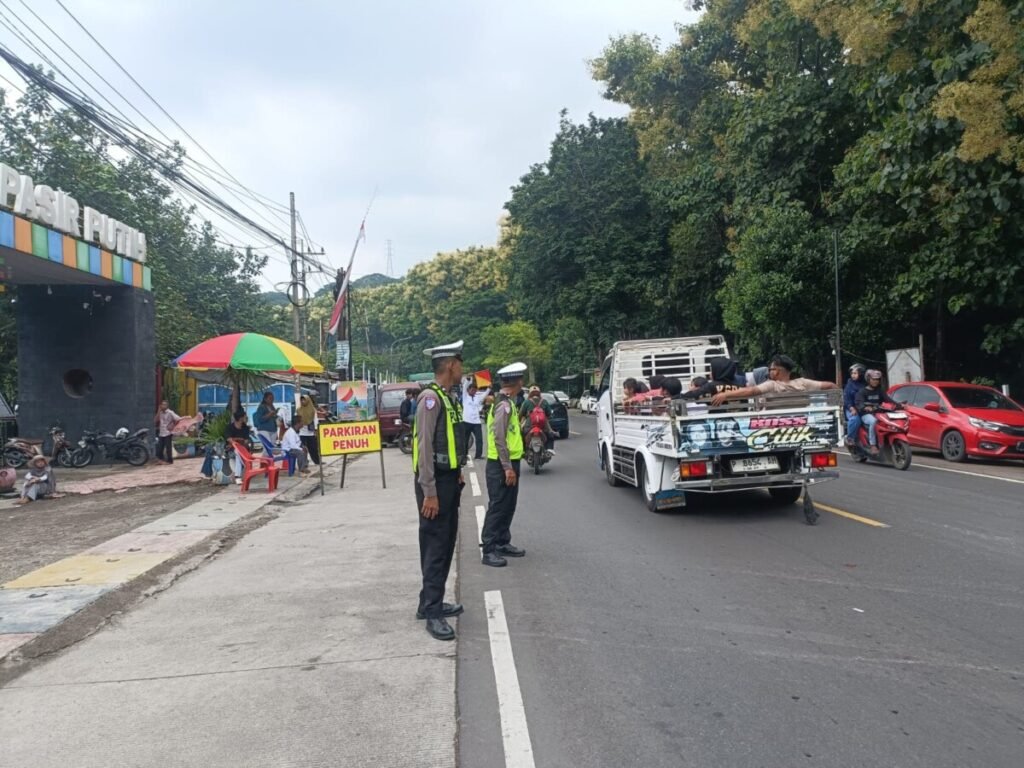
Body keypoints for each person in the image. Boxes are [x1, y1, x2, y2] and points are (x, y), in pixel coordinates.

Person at [413, 340, 468, 641]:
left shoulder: (447, 398)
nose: (462, 370)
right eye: (459, 364)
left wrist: (457, 471)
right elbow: (425, 448)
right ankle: (432, 613)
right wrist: (430, 492)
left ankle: (429, 601)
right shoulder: (430, 400)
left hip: (448, 482)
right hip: (434, 484)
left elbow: (449, 441)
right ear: (450, 365)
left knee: (445, 544)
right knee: (435, 546)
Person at [482, 362, 528, 569]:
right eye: (521, 379)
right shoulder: (504, 405)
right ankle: (489, 549)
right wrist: (507, 467)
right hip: (500, 464)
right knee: (498, 506)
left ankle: (502, 542)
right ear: (517, 382)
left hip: (507, 462)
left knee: (508, 505)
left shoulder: (506, 402)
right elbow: (499, 437)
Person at [710, 355, 838, 405]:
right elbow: (831, 385)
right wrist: (837, 407)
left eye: (771, 369)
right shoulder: (803, 383)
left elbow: (751, 391)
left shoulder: (772, 386)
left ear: (777, 371)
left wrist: (725, 394)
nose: (769, 371)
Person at [855, 369, 899, 455]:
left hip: (878, 413)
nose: (875, 381)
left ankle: (885, 442)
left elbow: (888, 399)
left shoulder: (880, 391)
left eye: (877, 379)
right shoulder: (862, 391)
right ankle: (873, 445)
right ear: (868, 379)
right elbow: (859, 403)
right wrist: (864, 407)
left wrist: (898, 405)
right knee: (873, 421)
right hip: (866, 414)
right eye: (873, 379)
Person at [519, 385, 556, 452]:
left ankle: (523, 451)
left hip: (529, 426)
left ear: (530, 393)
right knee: (550, 434)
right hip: (543, 426)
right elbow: (549, 414)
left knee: (521, 435)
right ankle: (550, 449)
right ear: (539, 393)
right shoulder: (544, 402)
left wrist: (520, 420)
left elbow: (521, 414)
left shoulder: (526, 402)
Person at [225, 409, 252, 484]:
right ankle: (239, 474)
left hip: (243, 449)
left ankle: (237, 476)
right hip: (231, 450)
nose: (247, 418)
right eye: (245, 416)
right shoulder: (229, 427)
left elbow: (246, 441)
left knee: (238, 452)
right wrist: (239, 440)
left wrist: (237, 441)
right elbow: (229, 439)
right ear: (241, 418)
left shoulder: (245, 428)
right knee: (237, 451)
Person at [462, 381, 487, 460]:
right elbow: (464, 387)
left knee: (479, 439)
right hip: (466, 421)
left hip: (476, 422)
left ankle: (478, 455)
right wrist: (468, 380)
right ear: (468, 390)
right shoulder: (465, 396)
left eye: (475, 390)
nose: (474, 392)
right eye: (472, 390)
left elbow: (484, 395)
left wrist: (489, 389)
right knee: (465, 440)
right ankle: (464, 455)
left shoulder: (477, 398)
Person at [844, 364, 867, 447]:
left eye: (855, 373)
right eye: (852, 373)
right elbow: (846, 399)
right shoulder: (849, 384)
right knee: (855, 419)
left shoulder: (865, 384)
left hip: (863, 408)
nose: (853, 375)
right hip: (851, 408)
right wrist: (851, 408)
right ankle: (850, 438)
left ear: (861, 374)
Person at [154, 400, 180, 464]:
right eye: (162, 404)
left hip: (168, 432)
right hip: (162, 432)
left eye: (164, 404)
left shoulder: (170, 412)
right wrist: (158, 411)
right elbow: (155, 420)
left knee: (168, 447)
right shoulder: (160, 413)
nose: (163, 406)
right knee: (160, 447)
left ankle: (170, 460)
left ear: (167, 406)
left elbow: (178, 419)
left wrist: (173, 426)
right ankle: (160, 460)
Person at [298, 394, 320, 465]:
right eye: (301, 400)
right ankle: (304, 462)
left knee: (313, 448)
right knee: (303, 449)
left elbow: (315, 420)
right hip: (301, 432)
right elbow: (296, 419)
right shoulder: (298, 410)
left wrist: (316, 430)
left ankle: (317, 461)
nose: (302, 401)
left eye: (304, 400)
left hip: (310, 432)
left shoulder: (313, 410)